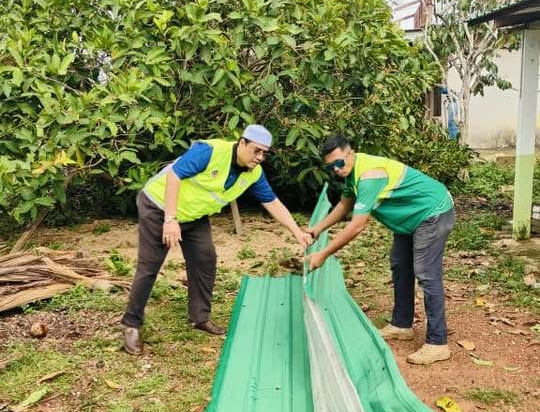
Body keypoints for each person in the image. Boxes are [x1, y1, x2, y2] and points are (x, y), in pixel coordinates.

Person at [121, 124, 311, 354]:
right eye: (256, 150)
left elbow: (272, 202)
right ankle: (131, 324)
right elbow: (175, 174)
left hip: (193, 215)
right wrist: (170, 219)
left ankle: (200, 317)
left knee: (205, 259)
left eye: (264, 153)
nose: (260, 157)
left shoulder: (254, 173)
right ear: (242, 143)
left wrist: (297, 231)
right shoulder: (209, 151)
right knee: (150, 265)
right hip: (159, 206)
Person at [307, 135, 456, 365]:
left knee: (426, 272)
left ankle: (438, 343)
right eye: (331, 166)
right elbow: (345, 205)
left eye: (339, 163)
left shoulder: (369, 175)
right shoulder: (352, 173)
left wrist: (323, 254)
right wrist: (317, 229)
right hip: (410, 218)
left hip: (432, 212)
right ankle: (401, 325)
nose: (336, 169)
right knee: (400, 265)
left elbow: (357, 226)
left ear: (351, 153)